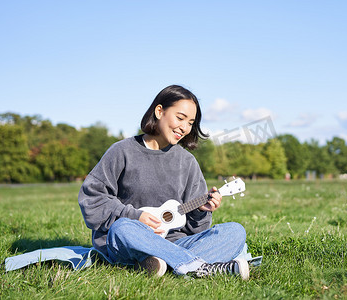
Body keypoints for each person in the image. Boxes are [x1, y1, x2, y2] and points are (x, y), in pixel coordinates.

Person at [78, 85, 249, 279]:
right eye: (180, 118)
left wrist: (201, 212)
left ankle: (163, 264)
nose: (184, 128)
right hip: (131, 243)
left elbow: (198, 231)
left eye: (191, 123)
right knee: (122, 228)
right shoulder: (122, 151)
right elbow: (92, 198)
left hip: (174, 243)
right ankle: (195, 265)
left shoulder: (187, 162)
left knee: (235, 232)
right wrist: (135, 216)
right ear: (159, 111)